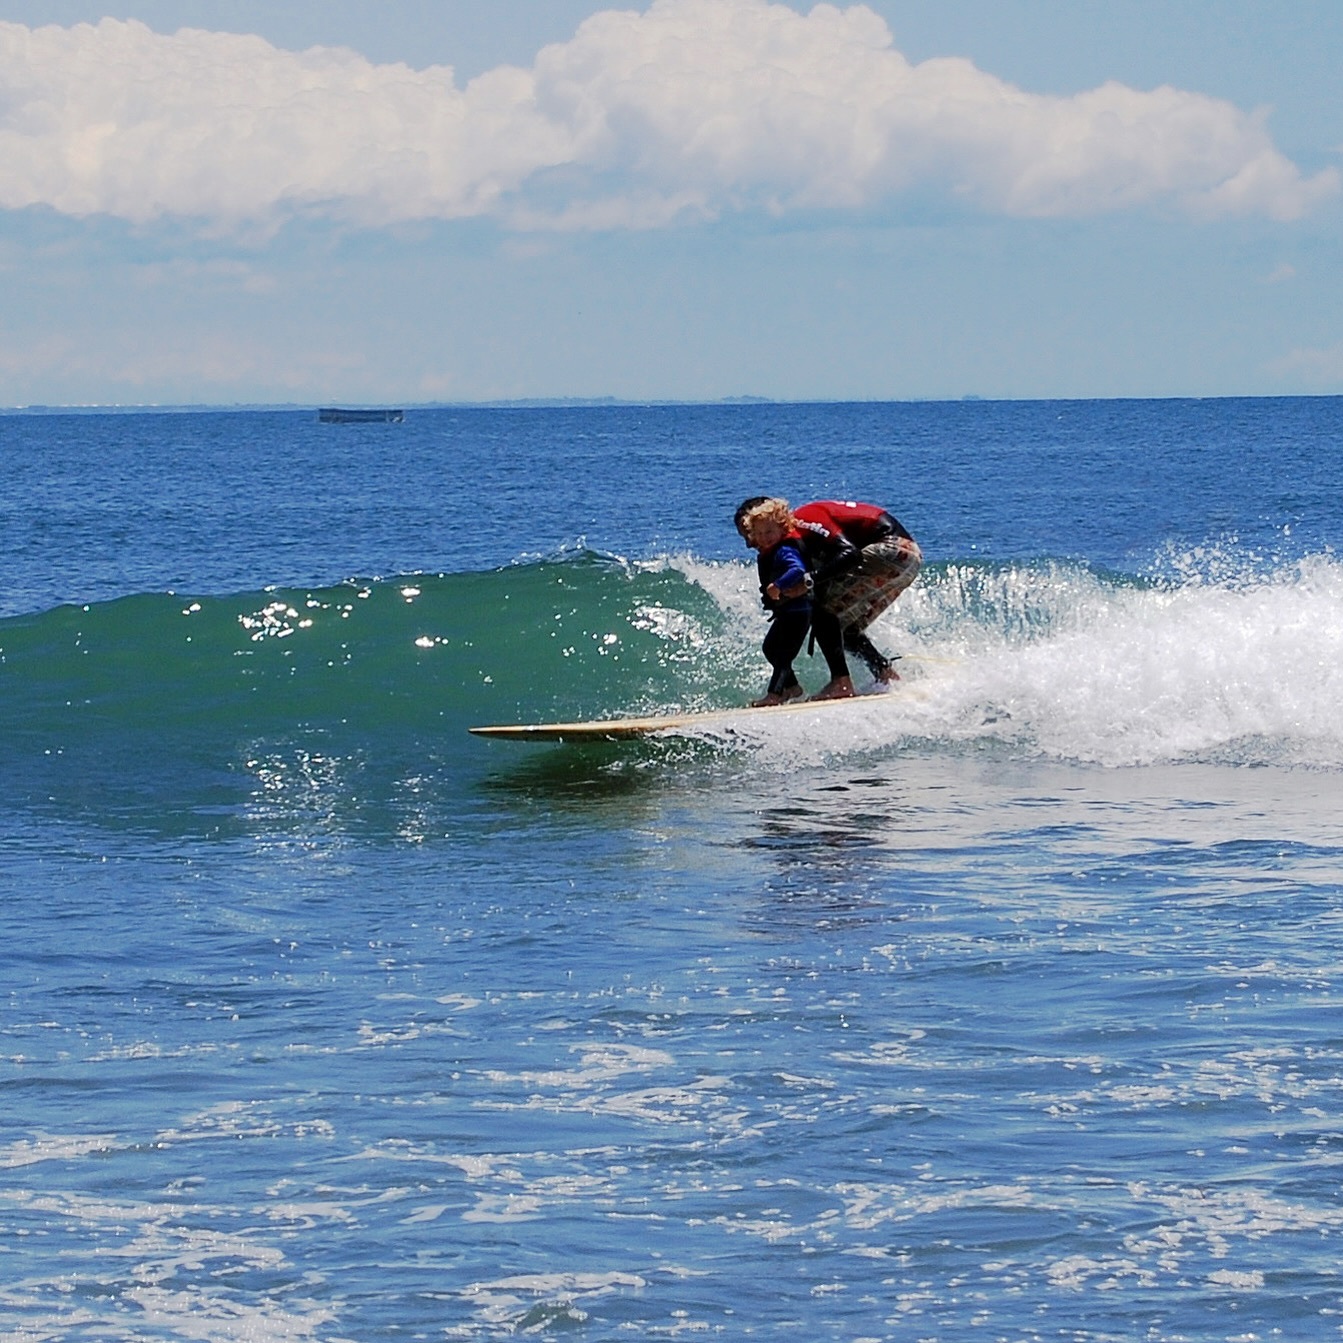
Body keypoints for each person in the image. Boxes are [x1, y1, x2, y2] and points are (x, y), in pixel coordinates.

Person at [792, 499, 922, 700]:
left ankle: (841, 684)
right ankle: (887, 675)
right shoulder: (803, 534)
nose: (751, 542)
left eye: (752, 532)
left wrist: (809, 581)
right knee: (844, 629)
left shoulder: (801, 519)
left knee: (822, 611)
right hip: (908, 559)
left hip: (892, 550)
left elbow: (849, 553)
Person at [733, 497, 819, 706]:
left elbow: (797, 570)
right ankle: (793, 688)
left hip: (798, 611)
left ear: (782, 529)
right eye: (760, 534)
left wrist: (778, 585)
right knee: (770, 649)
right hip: (787, 611)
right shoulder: (769, 552)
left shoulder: (784, 550)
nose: (765, 538)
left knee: (782, 654)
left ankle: (775, 694)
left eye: (769, 532)